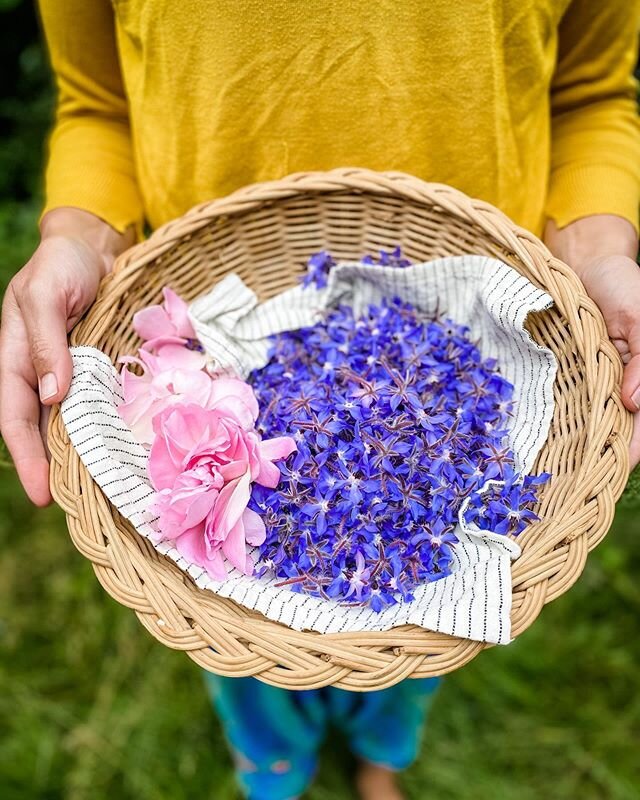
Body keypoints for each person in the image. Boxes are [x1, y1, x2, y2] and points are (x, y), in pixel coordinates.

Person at [1, 2, 639, 799]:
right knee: (244, 653)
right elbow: (96, 102)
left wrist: (598, 247)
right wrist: (80, 233)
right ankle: (274, 770)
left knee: (414, 652)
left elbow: (591, 92)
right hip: (222, 293)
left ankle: (382, 755)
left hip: (478, 282)